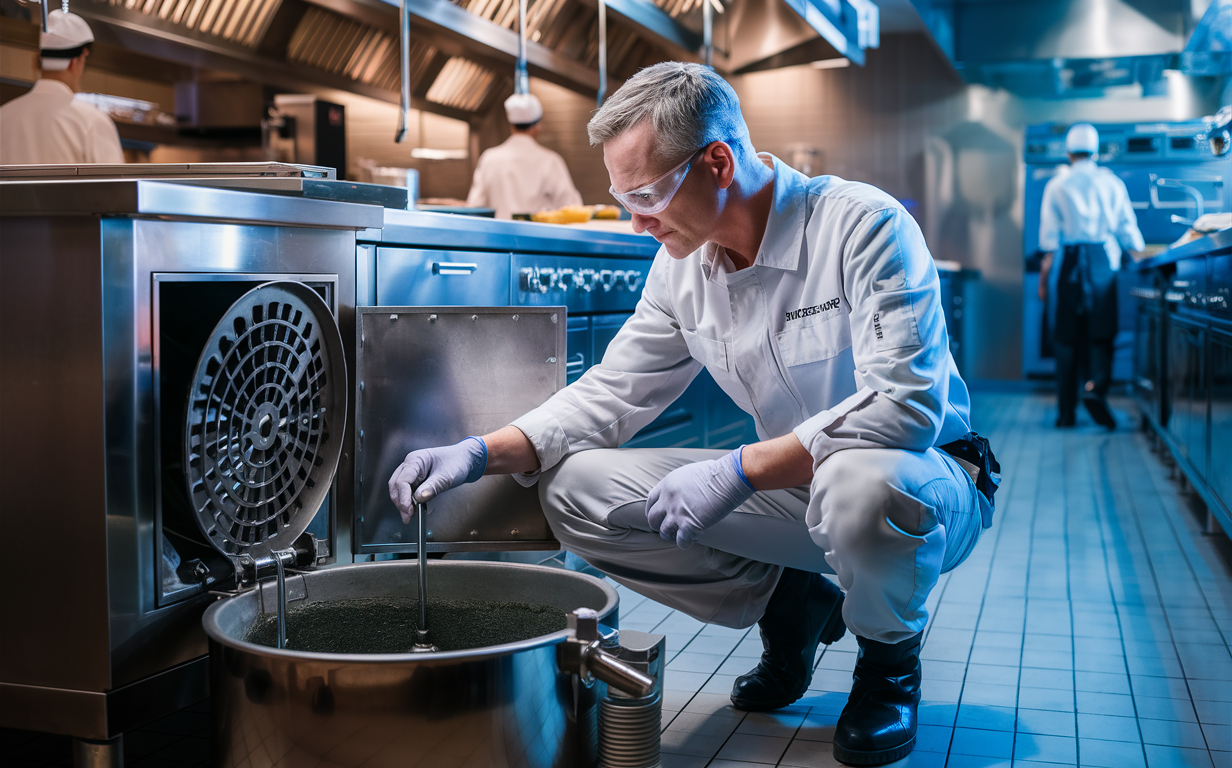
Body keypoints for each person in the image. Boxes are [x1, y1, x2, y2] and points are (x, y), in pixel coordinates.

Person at [391, 63, 999, 767]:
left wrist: (738, 468)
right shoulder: (682, 267)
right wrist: (476, 452)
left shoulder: (863, 226)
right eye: (623, 197)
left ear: (717, 162)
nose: (635, 220)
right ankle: (792, 606)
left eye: (646, 194)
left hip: (927, 484)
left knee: (860, 482)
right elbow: (609, 394)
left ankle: (889, 668)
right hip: (794, 485)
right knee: (575, 487)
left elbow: (906, 406)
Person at [1038, 123, 1144, 429]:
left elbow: (1049, 241)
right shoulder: (1111, 183)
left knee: (1066, 340)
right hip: (1102, 262)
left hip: (1068, 262)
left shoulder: (1057, 184)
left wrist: (1045, 282)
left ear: (1069, 152)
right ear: (1096, 152)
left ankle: (1065, 412)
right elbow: (1128, 232)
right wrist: (1137, 250)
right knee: (1101, 335)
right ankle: (1096, 389)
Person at [0, 10, 124, 165]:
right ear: (77, 61)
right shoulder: (92, 121)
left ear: (38, 60)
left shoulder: (3, 116)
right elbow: (114, 187)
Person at [465, 92, 582, 219]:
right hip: (537, 236)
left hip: (498, 237)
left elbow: (475, 206)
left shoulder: (489, 158)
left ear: (511, 126)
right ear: (537, 127)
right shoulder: (550, 160)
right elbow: (571, 207)